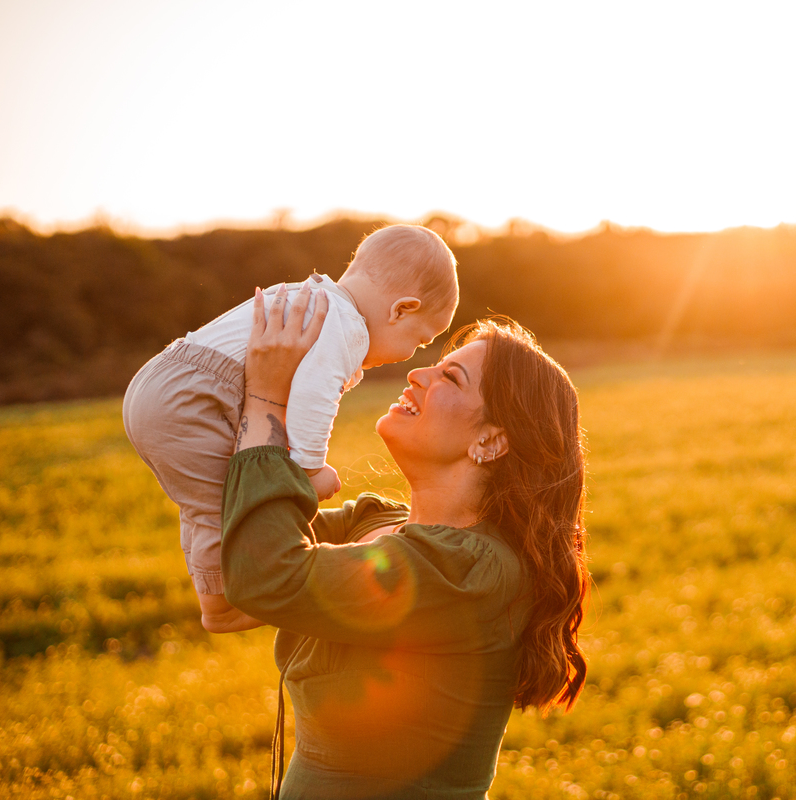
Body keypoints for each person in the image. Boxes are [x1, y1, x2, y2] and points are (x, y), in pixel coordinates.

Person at [221, 285, 589, 799]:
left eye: (451, 377)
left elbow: (262, 575)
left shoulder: (473, 571)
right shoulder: (369, 524)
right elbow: (225, 588)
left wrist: (267, 397)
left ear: (491, 440)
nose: (418, 373)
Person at [123, 225, 458, 633]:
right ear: (401, 309)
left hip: (165, 382)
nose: (411, 355)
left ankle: (218, 589)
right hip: (195, 399)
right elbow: (314, 399)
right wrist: (309, 470)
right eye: (420, 342)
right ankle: (222, 606)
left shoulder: (312, 295)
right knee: (222, 507)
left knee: (209, 499)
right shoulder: (345, 327)